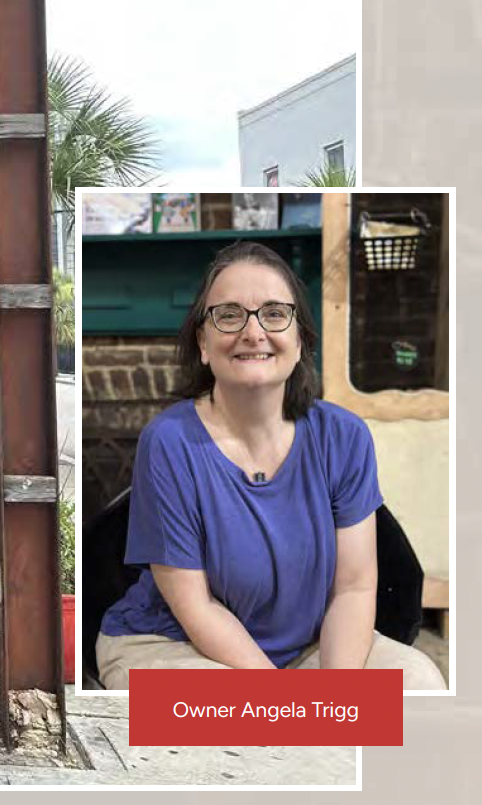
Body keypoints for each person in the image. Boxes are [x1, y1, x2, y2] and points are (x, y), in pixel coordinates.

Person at [96, 241, 446, 690]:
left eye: (275, 313)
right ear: (203, 343)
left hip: (310, 646)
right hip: (174, 644)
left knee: (420, 688)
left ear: (300, 340)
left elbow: (354, 587)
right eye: (229, 315)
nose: (253, 331)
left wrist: (334, 696)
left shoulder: (344, 437)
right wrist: (286, 704)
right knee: (239, 721)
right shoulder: (169, 442)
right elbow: (196, 606)